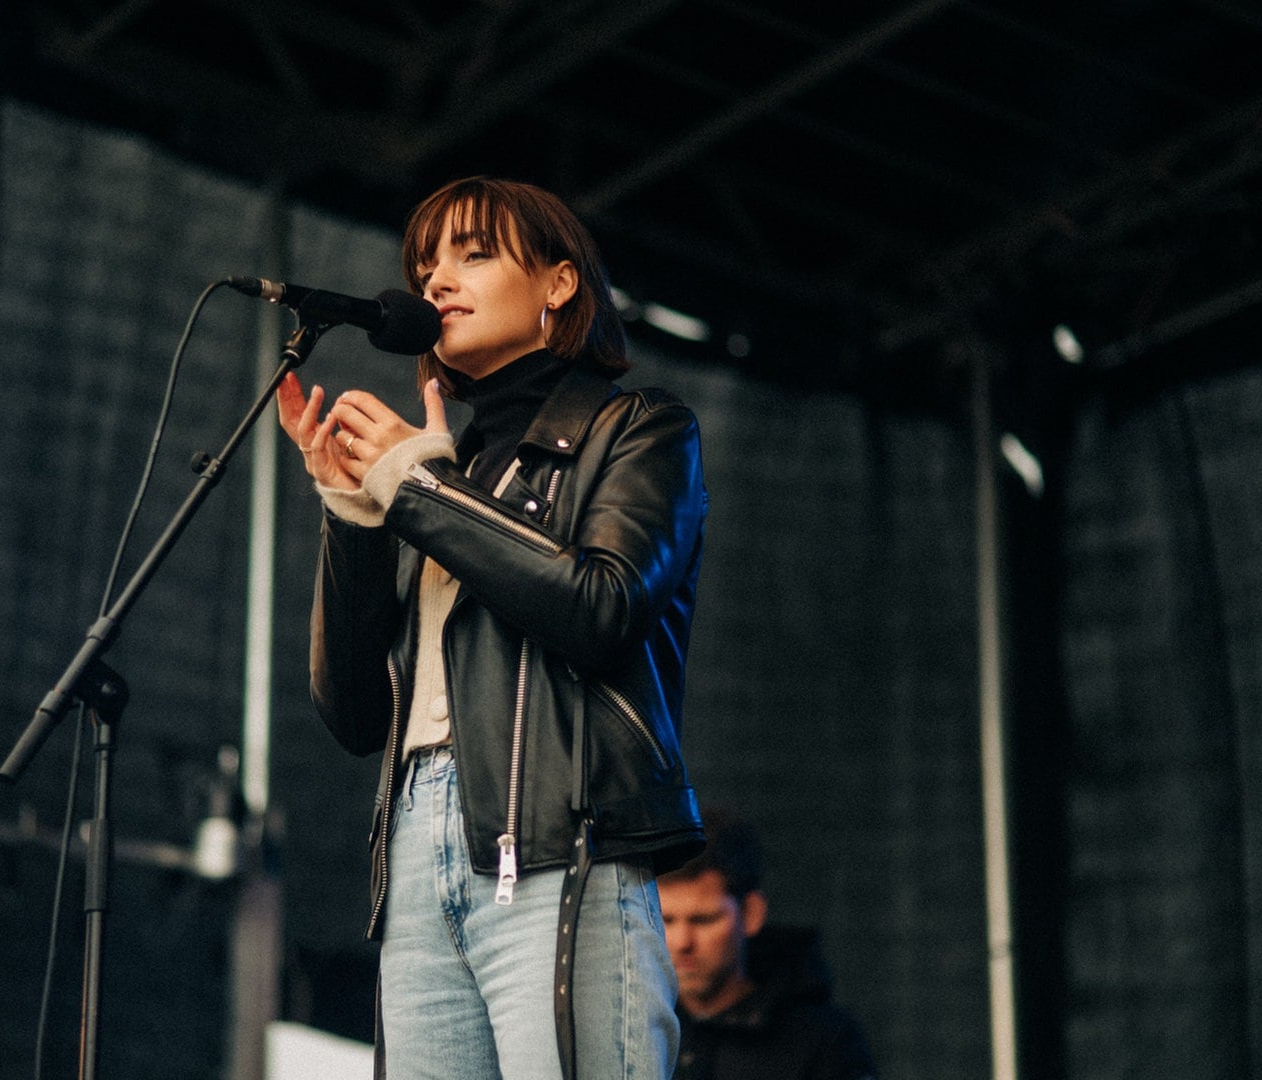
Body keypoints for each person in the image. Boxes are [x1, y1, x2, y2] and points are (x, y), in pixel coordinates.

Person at [274, 175, 709, 1080]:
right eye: (427, 263)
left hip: (558, 843)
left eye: (473, 254)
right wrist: (354, 515)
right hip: (415, 854)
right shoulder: (437, 468)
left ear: (557, 283)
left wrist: (420, 487)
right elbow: (356, 715)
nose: (436, 280)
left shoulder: (638, 428)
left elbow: (600, 606)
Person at [657, 807, 878, 1080]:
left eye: (704, 919)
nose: (682, 942)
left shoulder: (825, 1042)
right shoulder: (630, 1027)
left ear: (751, 913)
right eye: (665, 920)